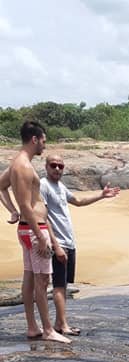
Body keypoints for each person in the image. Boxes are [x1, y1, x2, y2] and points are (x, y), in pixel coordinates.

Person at [0, 121, 70, 342]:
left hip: (28, 230)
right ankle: (48, 330)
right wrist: (41, 237)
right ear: (34, 139)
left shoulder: (17, 164)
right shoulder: (23, 166)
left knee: (30, 276)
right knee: (43, 279)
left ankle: (32, 327)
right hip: (35, 230)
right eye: (43, 141)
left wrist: (11, 211)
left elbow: (1, 186)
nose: (44, 146)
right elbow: (26, 206)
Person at [39, 155, 120, 336]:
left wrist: (101, 195)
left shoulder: (60, 187)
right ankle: (64, 325)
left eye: (61, 166)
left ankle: (60, 323)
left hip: (69, 241)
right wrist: (55, 245)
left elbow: (77, 201)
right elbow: (43, 218)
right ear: (46, 166)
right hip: (59, 243)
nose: (58, 169)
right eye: (54, 165)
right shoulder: (43, 185)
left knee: (65, 285)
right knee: (59, 285)